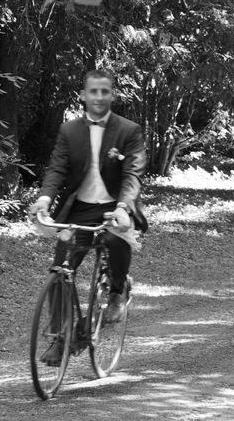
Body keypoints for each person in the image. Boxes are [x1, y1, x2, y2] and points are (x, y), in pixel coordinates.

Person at [29, 69, 148, 365]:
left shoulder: (128, 130)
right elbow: (56, 169)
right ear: (83, 95)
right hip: (80, 208)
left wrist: (123, 208)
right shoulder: (70, 131)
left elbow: (132, 175)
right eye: (93, 91)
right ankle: (61, 336)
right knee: (60, 270)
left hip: (114, 207)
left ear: (112, 95)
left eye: (104, 91)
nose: (98, 97)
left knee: (114, 238)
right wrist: (45, 197)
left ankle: (118, 290)